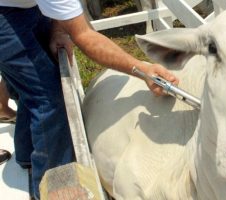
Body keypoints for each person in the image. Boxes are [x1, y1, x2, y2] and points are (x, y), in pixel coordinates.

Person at [0, 0, 179, 199]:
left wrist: (59, 29)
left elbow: (66, 11)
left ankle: (27, 154)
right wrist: (142, 69)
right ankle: (54, 186)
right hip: (6, 18)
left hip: (24, 7)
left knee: (31, 85)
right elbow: (85, 36)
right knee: (48, 99)